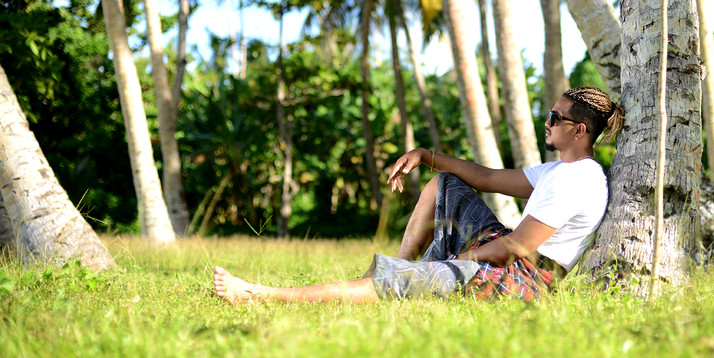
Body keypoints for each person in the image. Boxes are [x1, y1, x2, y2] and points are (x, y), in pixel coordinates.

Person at [213, 86, 624, 304]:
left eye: (556, 117)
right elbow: (484, 178)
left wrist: (460, 260)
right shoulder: (559, 170)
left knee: (404, 282)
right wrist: (427, 156)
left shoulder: (579, 179)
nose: (547, 121)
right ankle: (399, 269)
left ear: (579, 130)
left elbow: (516, 247)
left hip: (520, 279)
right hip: (501, 254)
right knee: (444, 184)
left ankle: (259, 295)